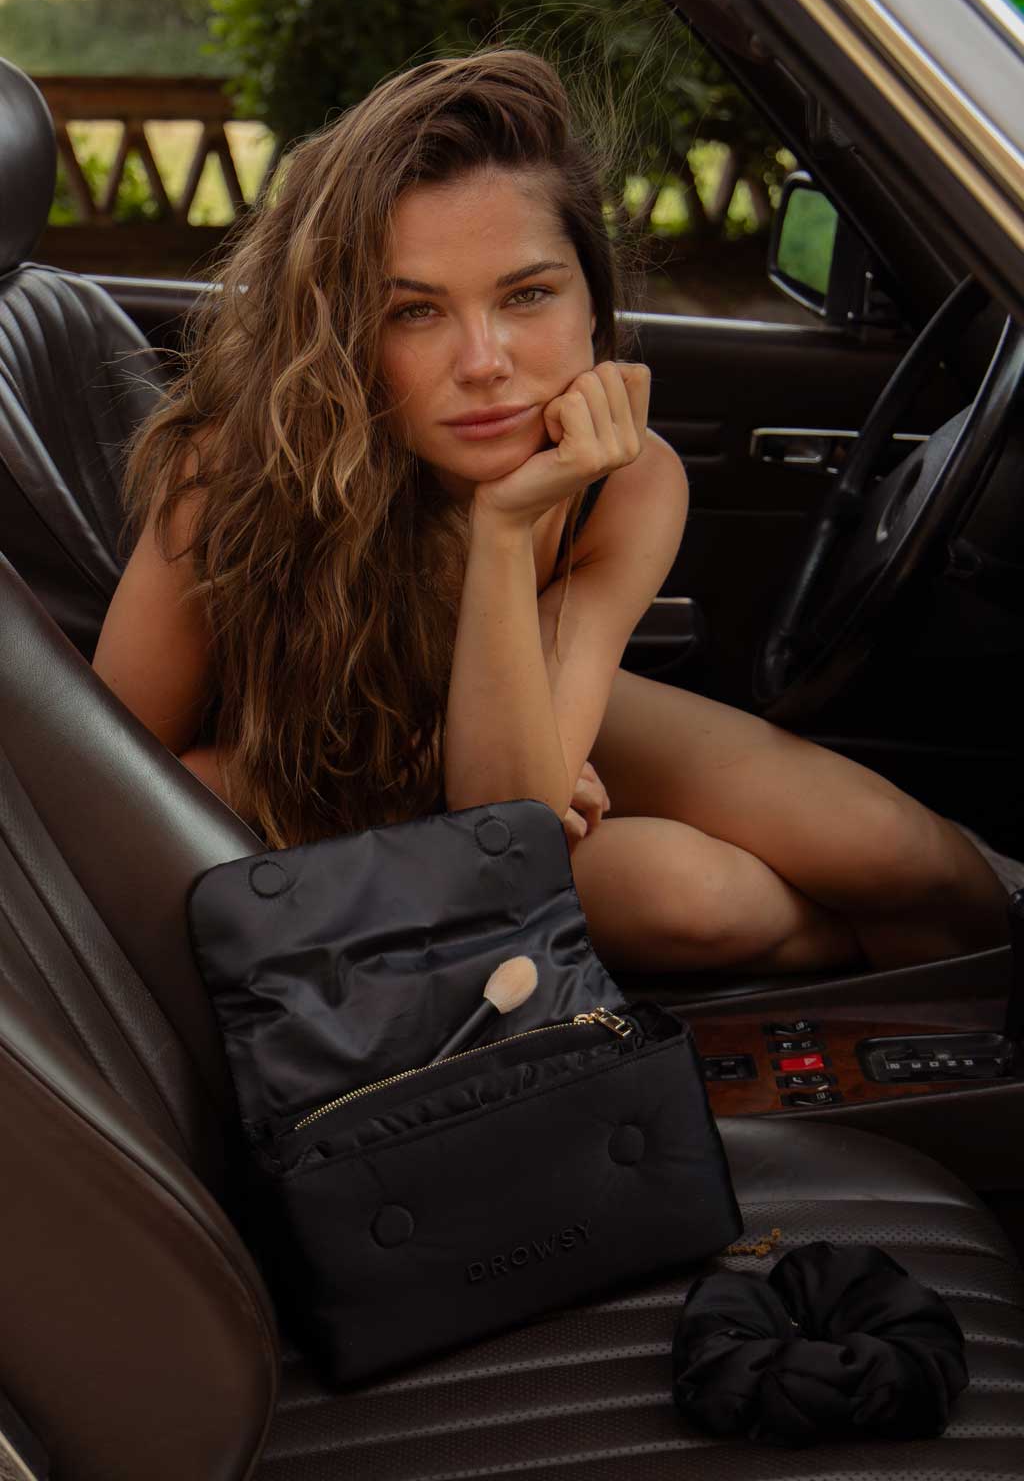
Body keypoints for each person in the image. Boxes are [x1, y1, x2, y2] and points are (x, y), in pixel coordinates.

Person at [91, 48, 1009, 978]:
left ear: (591, 300)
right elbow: (100, 783)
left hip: (477, 746)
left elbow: (511, 788)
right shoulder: (239, 471)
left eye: (527, 294)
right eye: (414, 312)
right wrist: (499, 538)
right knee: (698, 897)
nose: (484, 360)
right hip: (318, 820)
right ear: (341, 332)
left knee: (909, 855)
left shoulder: (628, 480)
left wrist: (500, 726)